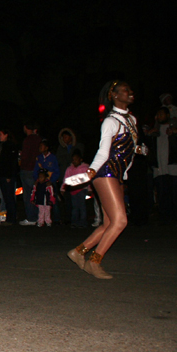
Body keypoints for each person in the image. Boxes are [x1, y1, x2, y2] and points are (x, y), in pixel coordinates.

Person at [66, 80, 145, 279]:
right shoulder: (110, 121)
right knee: (120, 221)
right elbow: (104, 151)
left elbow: (123, 147)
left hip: (117, 174)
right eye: (125, 90)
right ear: (114, 96)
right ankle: (94, 261)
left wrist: (137, 150)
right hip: (105, 172)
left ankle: (78, 252)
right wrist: (91, 171)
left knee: (109, 223)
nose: (130, 92)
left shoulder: (132, 120)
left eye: (130, 89)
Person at [19, 121, 42, 225]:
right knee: (37, 193)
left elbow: (25, 156)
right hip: (37, 169)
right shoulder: (39, 139)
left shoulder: (28, 140)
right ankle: (39, 216)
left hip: (27, 169)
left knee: (28, 195)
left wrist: (21, 162)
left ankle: (31, 218)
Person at [61, 150, 90, 228]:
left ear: (81, 159)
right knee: (75, 207)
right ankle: (74, 222)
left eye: (76, 159)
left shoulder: (85, 168)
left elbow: (89, 179)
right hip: (73, 190)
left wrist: (90, 189)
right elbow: (66, 178)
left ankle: (83, 222)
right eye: (73, 159)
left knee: (82, 207)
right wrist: (63, 188)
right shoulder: (70, 169)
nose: (74, 161)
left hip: (82, 189)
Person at [0, 129, 18, 225]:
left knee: (9, 197)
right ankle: (9, 217)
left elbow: (12, 162)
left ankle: (11, 218)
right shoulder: (2, 146)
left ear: (6, 135)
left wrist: (9, 175)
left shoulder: (10, 146)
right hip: (2, 174)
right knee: (5, 196)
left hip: (7, 175)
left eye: (1, 134)